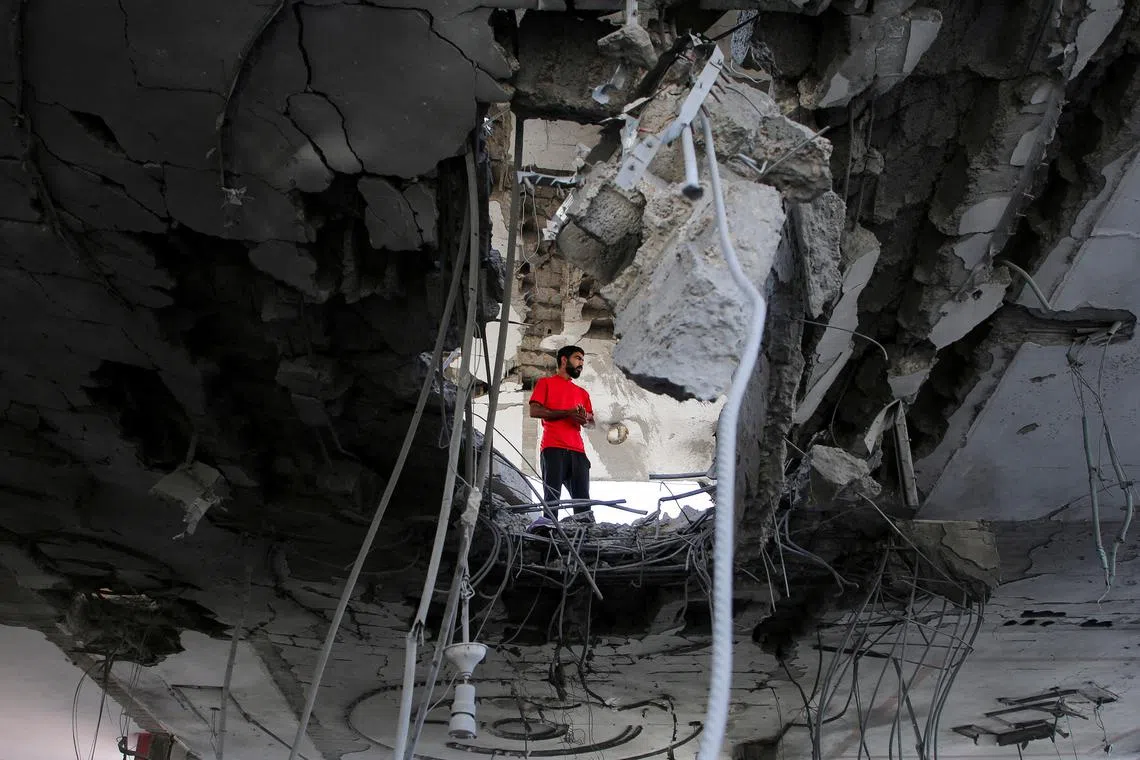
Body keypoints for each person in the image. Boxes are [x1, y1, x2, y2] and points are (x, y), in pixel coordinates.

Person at [529, 345, 595, 519]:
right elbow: (534, 411)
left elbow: (591, 423)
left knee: (583, 503)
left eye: (582, 360)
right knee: (552, 499)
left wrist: (583, 418)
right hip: (553, 448)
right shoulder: (546, 383)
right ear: (564, 360)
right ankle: (548, 535)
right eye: (578, 358)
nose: (581, 363)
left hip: (578, 452)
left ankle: (586, 536)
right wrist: (567, 413)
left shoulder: (583, 393)